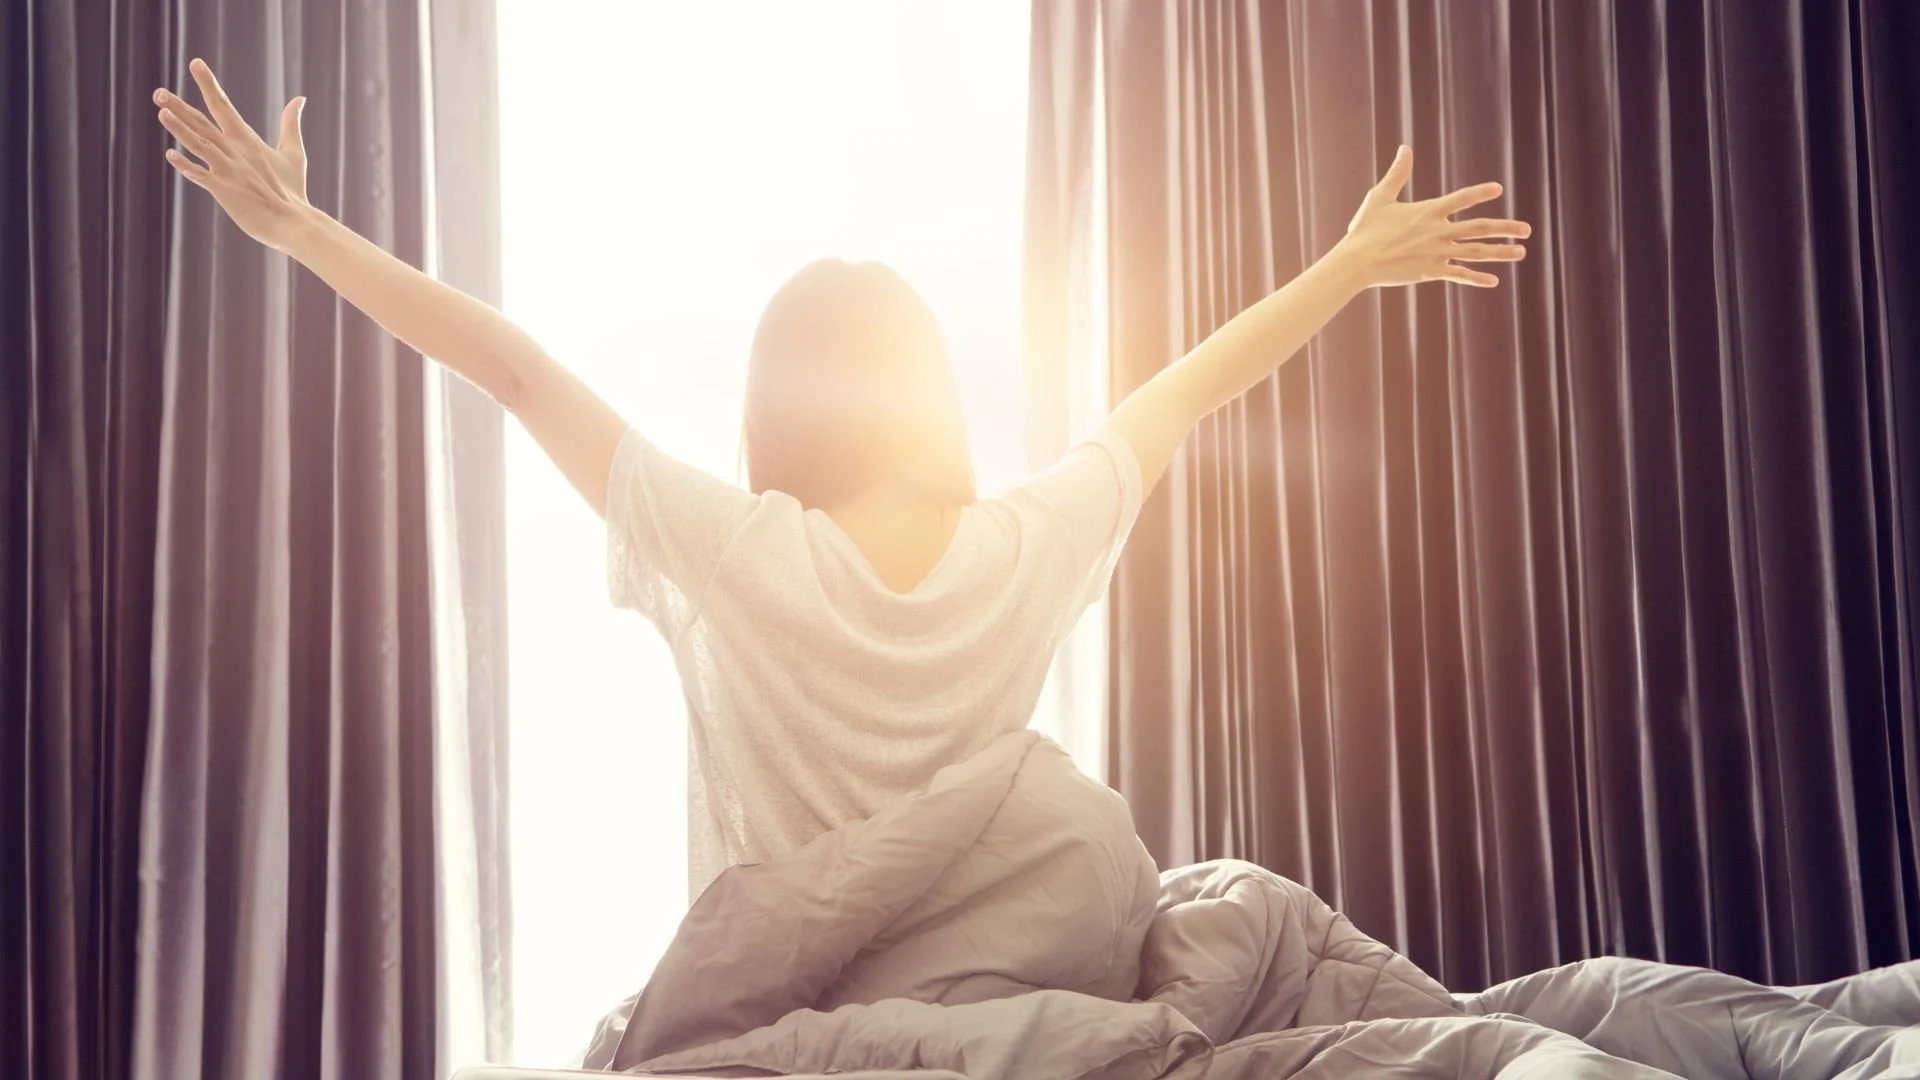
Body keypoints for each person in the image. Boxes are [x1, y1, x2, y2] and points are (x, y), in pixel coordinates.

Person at [153, 60, 1530, 899]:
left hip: (772, 1014)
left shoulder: (738, 551)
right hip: (1015, 1014)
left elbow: (509, 368)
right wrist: (1349, 266)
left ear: (772, 408)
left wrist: (300, 226)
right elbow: (1181, 397)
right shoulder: (1024, 548)